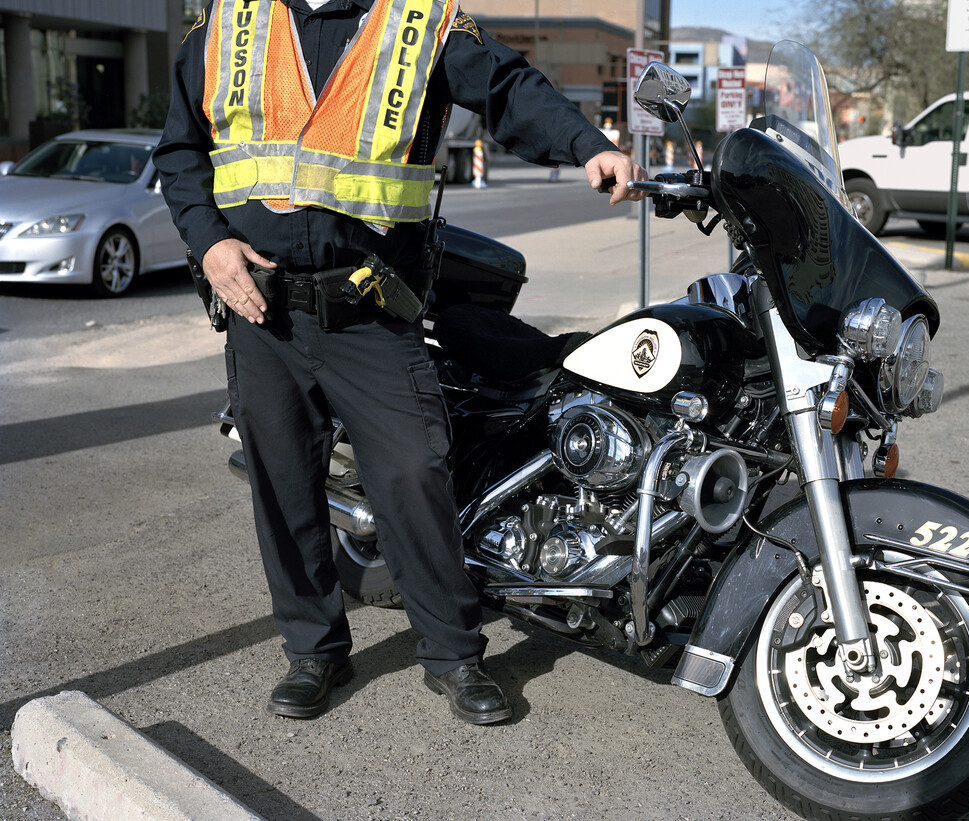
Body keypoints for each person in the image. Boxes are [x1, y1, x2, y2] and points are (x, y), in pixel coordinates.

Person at [153, 0, 647, 725]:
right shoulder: (227, 24)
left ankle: (453, 656)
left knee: (414, 476)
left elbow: (507, 87)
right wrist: (209, 243)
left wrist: (586, 144)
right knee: (283, 488)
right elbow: (180, 151)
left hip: (371, 309)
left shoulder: (417, 21)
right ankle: (314, 652)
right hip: (263, 309)